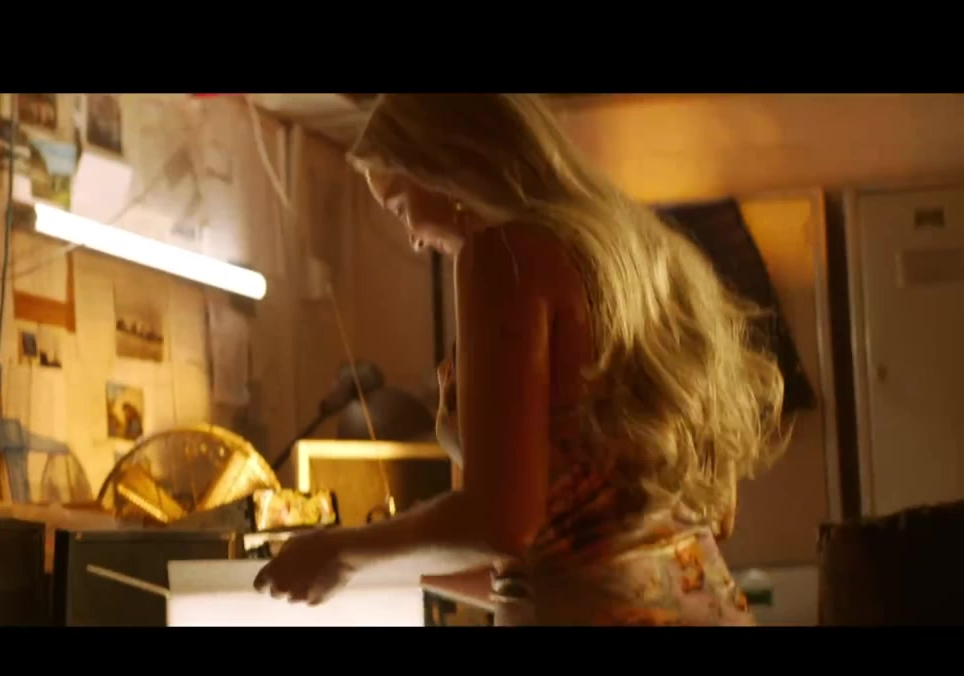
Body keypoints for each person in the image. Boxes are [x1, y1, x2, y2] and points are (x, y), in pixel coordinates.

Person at [252, 94, 786, 626]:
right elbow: (562, 553)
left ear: (444, 168)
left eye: (399, 206)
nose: (413, 240)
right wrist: (375, 564)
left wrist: (341, 550)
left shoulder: (503, 253)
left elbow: (501, 524)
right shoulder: (637, 258)